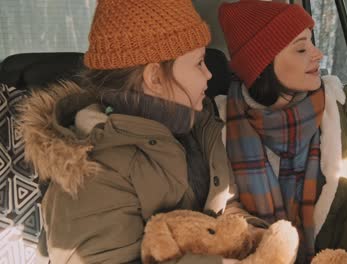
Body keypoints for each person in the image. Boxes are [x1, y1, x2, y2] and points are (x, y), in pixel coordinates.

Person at [20, 0, 265, 263]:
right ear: (155, 78)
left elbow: (226, 208)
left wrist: (256, 239)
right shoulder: (92, 172)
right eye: (199, 63)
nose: (209, 75)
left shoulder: (198, 129)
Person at [216, 1, 347, 263]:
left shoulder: (343, 112)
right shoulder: (219, 124)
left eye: (311, 42)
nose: (318, 54)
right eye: (302, 48)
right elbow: (223, 210)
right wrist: (263, 242)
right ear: (262, 64)